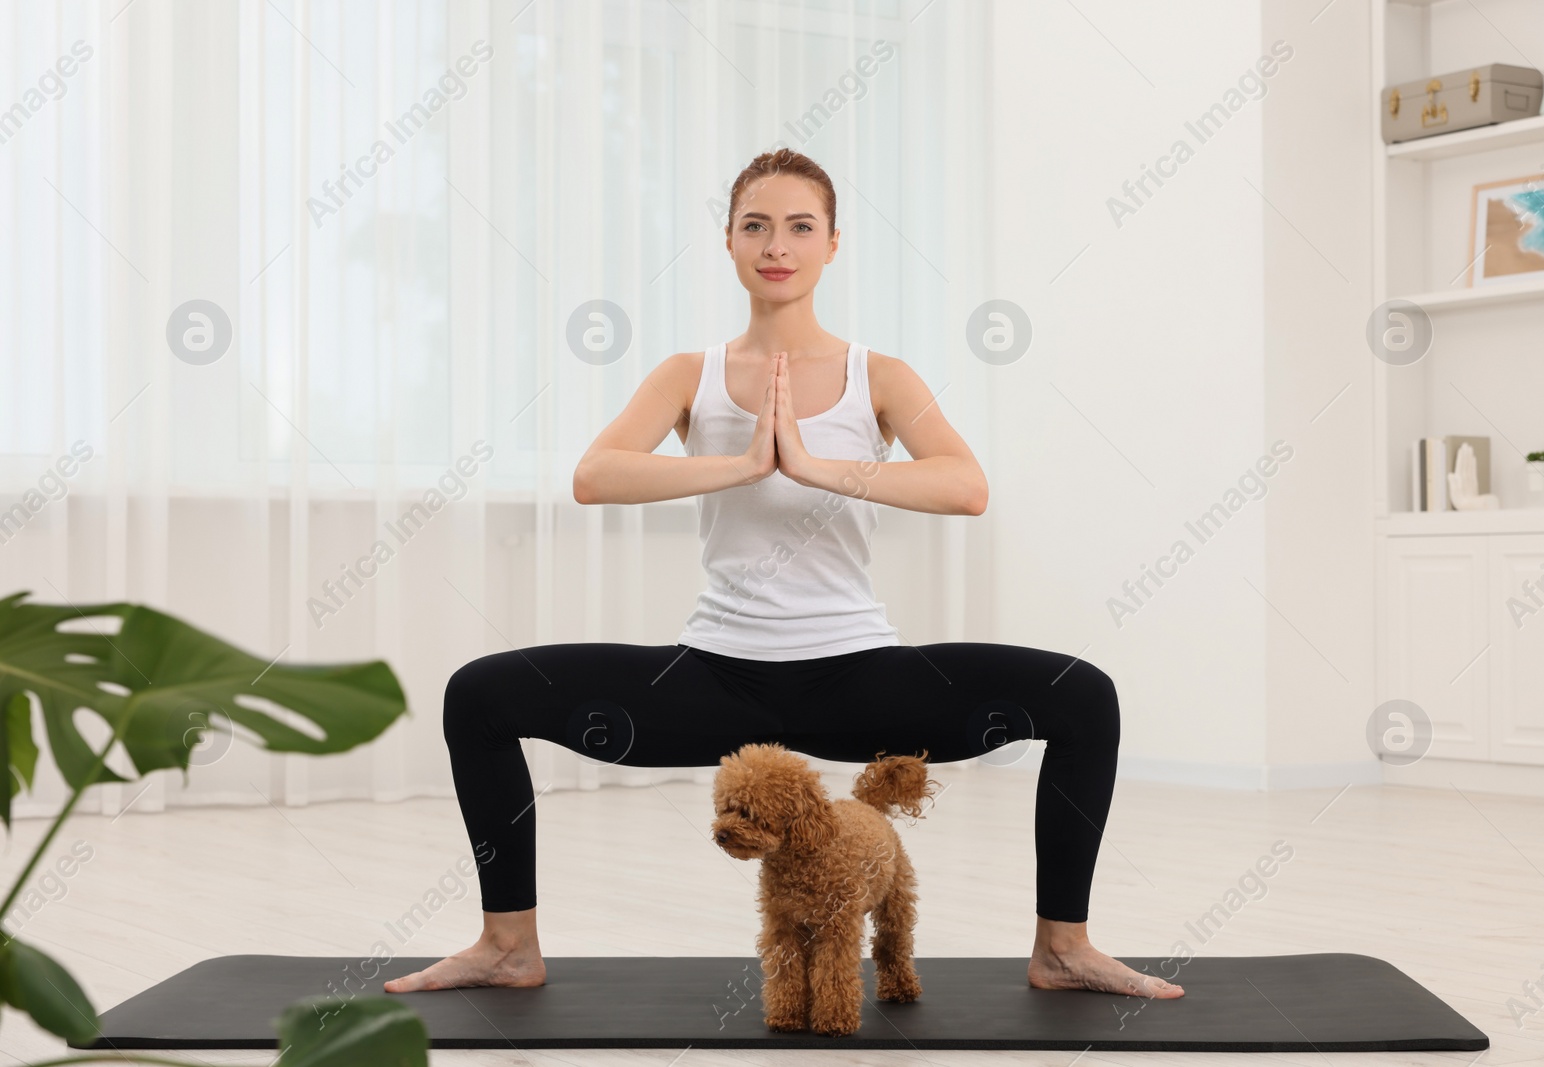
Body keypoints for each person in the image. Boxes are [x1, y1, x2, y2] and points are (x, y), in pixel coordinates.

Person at [385, 149, 1184, 1000]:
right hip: (715, 679)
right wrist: (737, 465)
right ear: (729, 242)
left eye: (801, 226)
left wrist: (816, 466)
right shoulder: (688, 375)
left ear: (833, 243)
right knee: (480, 693)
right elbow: (596, 474)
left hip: (856, 676)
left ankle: (1062, 947)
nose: (778, 244)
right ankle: (508, 944)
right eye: (756, 225)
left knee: (1083, 694)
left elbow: (966, 485)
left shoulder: (876, 375)